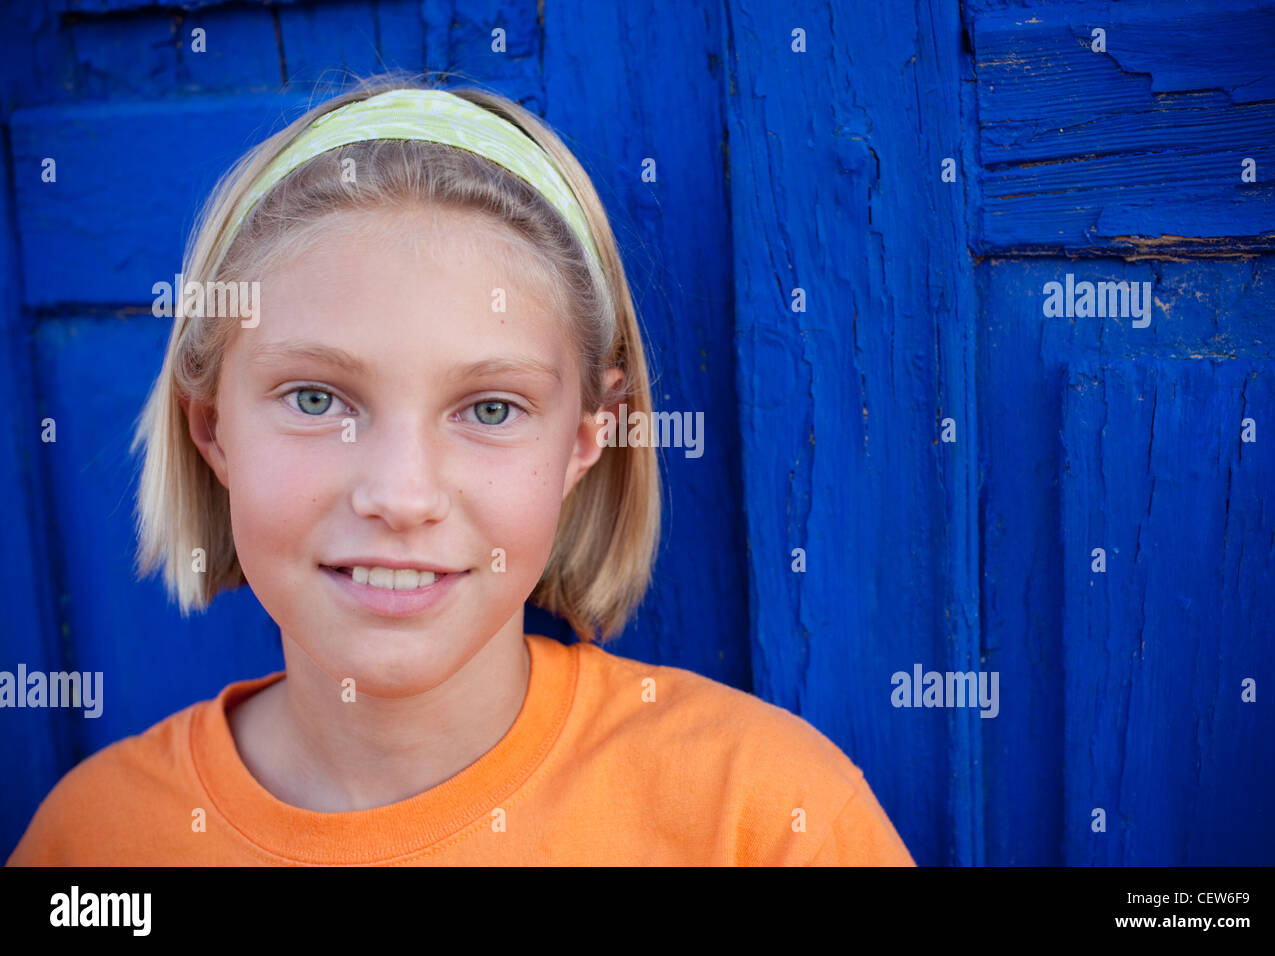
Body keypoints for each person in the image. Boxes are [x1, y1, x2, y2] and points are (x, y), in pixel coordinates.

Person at [7, 74, 914, 866]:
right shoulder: (95, 844)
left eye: (489, 410)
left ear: (585, 442)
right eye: (317, 400)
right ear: (211, 432)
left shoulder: (762, 819)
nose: (401, 497)